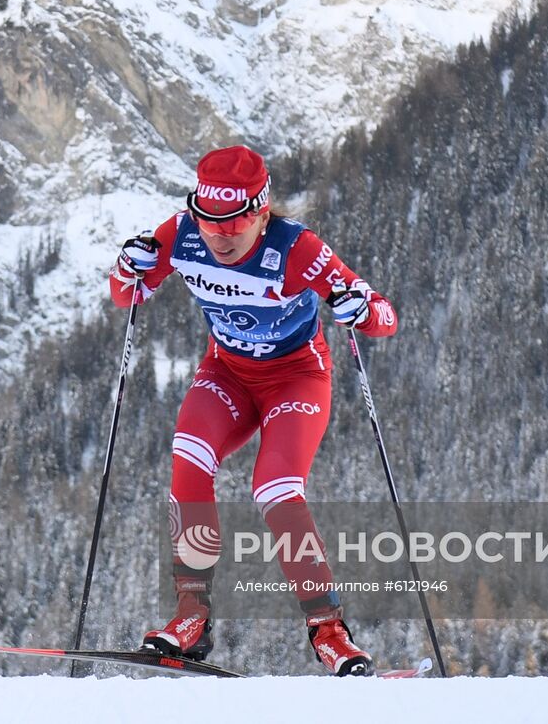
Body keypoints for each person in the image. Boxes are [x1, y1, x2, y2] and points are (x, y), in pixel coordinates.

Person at [109, 145, 399, 676]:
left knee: (275, 489)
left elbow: (383, 316)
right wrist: (130, 268)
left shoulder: (298, 249)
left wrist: (360, 308)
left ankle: (329, 630)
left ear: (261, 214)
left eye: (233, 227)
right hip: (227, 373)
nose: (217, 237)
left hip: (296, 377)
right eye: (207, 223)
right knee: (188, 458)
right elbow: (125, 294)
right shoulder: (181, 233)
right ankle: (191, 615)